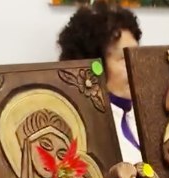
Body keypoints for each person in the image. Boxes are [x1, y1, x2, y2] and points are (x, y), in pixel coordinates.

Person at [57, 0, 142, 164]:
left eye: (137, 55)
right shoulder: (84, 133)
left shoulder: (147, 114)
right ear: (96, 67)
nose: (136, 66)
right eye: (123, 58)